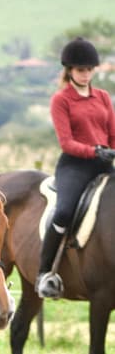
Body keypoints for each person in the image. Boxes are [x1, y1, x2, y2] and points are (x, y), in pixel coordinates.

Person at [36, 36, 115, 299]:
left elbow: (112, 132)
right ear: (70, 70)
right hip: (75, 166)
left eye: (89, 70)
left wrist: (110, 151)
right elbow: (66, 142)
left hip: (104, 163)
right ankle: (45, 272)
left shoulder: (102, 97)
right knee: (64, 211)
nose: (85, 74)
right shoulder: (62, 100)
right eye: (80, 70)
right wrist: (94, 151)